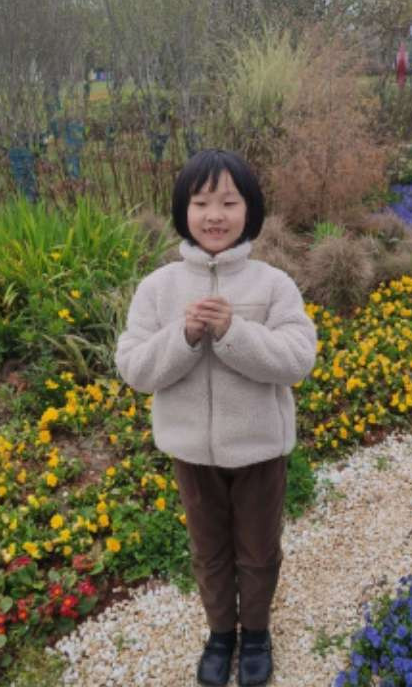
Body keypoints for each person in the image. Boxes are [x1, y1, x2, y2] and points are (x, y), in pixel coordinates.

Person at [115, 149, 317, 686]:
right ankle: (221, 633)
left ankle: (257, 634)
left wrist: (233, 333)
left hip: (260, 451)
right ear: (183, 210)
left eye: (229, 202)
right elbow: (134, 368)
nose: (214, 215)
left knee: (258, 552)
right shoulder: (158, 288)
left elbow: (298, 359)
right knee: (208, 553)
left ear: (250, 210)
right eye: (201, 202)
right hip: (192, 454)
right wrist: (183, 336)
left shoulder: (272, 284)